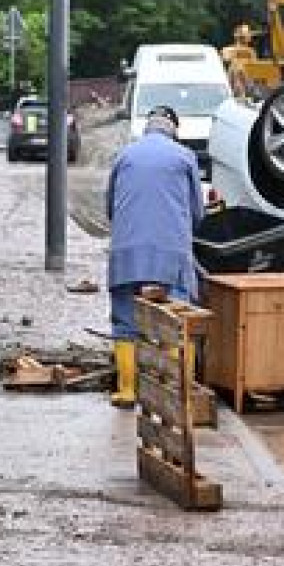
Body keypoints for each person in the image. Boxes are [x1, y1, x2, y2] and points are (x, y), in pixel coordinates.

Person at [105, 105, 204, 408]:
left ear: (147, 127)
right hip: (169, 257)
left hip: (126, 255)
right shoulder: (185, 157)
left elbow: (110, 207)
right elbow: (196, 213)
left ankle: (127, 390)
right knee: (175, 321)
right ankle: (174, 390)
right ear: (174, 129)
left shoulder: (124, 156)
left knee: (125, 321)